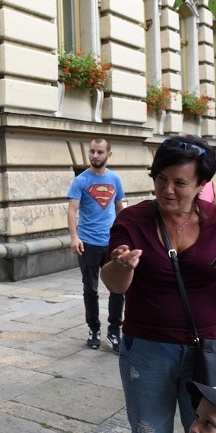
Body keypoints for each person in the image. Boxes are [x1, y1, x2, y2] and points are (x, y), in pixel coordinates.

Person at [101, 135, 216, 433]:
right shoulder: (133, 220)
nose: (167, 190)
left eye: (179, 182)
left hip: (210, 354)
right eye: (161, 179)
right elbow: (114, 283)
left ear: (202, 185)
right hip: (147, 351)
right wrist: (123, 265)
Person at [66, 138, 126, 352]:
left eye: (100, 152)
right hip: (88, 243)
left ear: (108, 154)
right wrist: (74, 237)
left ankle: (114, 332)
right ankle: (94, 329)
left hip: (111, 244)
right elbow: (72, 210)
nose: (95, 155)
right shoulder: (81, 180)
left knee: (117, 289)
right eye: (92, 151)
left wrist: (124, 238)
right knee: (90, 289)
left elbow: (120, 209)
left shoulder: (115, 180)